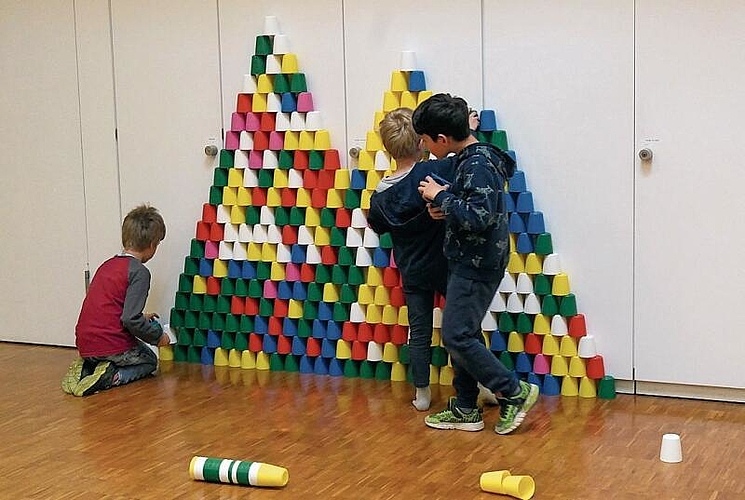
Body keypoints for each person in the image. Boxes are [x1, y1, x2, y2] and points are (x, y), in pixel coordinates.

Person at [415, 93, 539, 434]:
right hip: (468, 259)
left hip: (477, 263)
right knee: (462, 333)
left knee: (456, 335)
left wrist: (441, 197)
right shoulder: (470, 159)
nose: (423, 147)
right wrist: (443, 205)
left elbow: (477, 217)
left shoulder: (477, 163)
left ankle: (514, 391)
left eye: (424, 140)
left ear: (442, 138)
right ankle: (466, 406)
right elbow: (469, 205)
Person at [367, 107, 457, 411]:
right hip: (445, 264)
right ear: (422, 142)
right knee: (460, 328)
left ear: (387, 148)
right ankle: (479, 384)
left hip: (412, 269)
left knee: (418, 332)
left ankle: (421, 393)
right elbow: (459, 161)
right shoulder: (428, 175)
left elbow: (378, 225)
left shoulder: (379, 195)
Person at [61, 204, 169, 397]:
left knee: (112, 351)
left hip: (85, 344)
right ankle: (111, 376)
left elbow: (110, 307)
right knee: (150, 361)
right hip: (110, 345)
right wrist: (158, 337)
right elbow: (130, 319)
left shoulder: (107, 265)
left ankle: (89, 366)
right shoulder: (139, 272)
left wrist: (142, 316)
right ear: (152, 245)